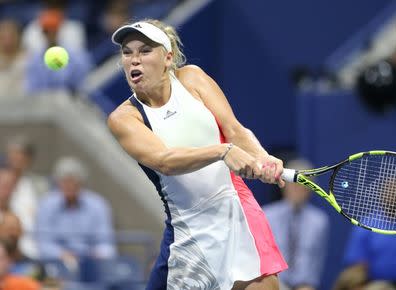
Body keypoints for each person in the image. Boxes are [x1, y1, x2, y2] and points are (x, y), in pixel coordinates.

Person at [108, 19, 288, 290]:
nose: (134, 60)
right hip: (188, 233)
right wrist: (223, 151)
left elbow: (235, 130)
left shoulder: (192, 78)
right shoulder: (124, 118)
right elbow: (164, 161)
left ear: (167, 58)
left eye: (145, 51)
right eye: (127, 52)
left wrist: (262, 157)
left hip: (237, 212)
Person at [35, 156, 116, 268]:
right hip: (56, 263)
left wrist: (96, 254)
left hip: (92, 264)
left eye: (74, 181)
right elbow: (44, 244)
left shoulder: (98, 205)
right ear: (58, 182)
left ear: (82, 182)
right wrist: (63, 255)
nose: (69, 185)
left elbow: (107, 244)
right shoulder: (46, 204)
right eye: (65, 181)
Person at [264, 158, 329, 290]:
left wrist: (309, 285)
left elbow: (317, 262)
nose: (298, 190)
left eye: (304, 186)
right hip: (273, 284)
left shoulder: (320, 221)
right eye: (294, 185)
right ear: (284, 185)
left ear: (311, 190)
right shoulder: (266, 215)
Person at [5, 135, 49, 259]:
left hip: (35, 246)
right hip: (7, 245)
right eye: (13, 156)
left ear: (29, 160)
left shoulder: (40, 185)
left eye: (21, 156)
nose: (17, 160)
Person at [0, 18, 27, 99]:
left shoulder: (30, 60)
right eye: (3, 37)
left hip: (24, 103)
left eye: (11, 36)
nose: (7, 42)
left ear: (19, 37)